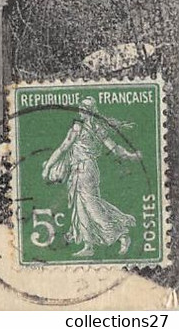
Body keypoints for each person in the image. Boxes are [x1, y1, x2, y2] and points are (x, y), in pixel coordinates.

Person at [42, 95, 140, 257]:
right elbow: (114, 148)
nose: (80, 111)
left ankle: (121, 235)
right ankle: (88, 245)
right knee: (82, 206)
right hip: (87, 169)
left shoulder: (78, 127)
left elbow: (63, 148)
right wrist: (130, 155)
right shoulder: (98, 128)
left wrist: (49, 166)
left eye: (82, 109)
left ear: (86, 111)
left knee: (91, 207)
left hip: (83, 170)